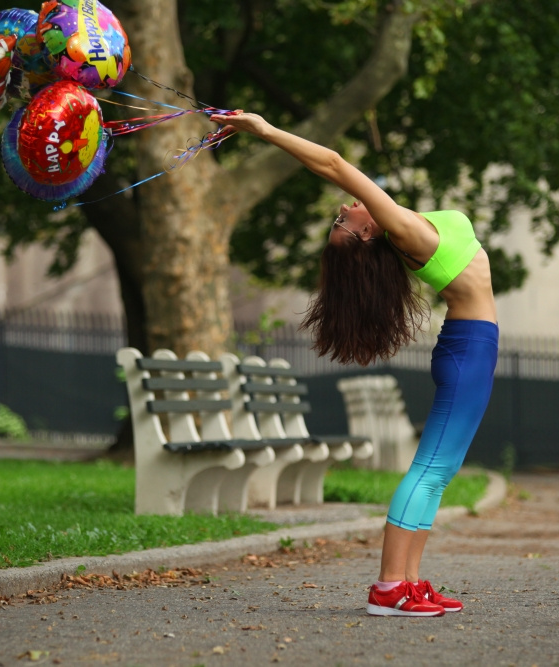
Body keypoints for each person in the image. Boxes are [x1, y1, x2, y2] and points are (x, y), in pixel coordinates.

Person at [211, 111, 499, 618]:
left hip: (472, 345)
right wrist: (266, 131)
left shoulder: (402, 229)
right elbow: (335, 164)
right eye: (341, 221)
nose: (344, 208)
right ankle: (389, 587)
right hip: (469, 349)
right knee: (430, 470)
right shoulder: (403, 230)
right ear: (367, 234)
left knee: (441, 470)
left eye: (337, 217)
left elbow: (343, 173)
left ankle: (410, 582)